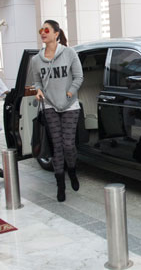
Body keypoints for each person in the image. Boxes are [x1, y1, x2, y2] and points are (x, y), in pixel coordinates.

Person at [32, 20, 84, 202]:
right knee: (57, 146)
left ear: (56, 33)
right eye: (41, 30)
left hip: (70, 105)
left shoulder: (69, 53)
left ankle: (72, 170)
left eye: (47, 30)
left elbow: (79, 76)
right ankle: (60, 185)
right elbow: (37, 81)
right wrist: (38, 90)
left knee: (68, 144)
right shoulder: (36, 60)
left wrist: (70, 92)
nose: (43, 33)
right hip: (49, 106)